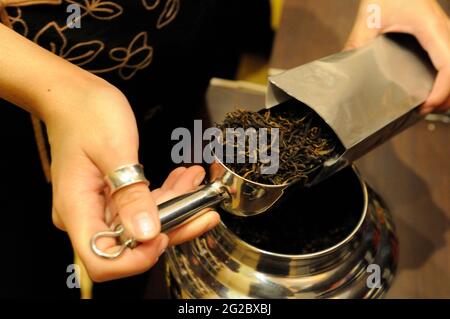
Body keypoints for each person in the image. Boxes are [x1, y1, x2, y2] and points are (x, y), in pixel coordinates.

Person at [0, 0, 448, 298]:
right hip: (26, 84)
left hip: (178, 37)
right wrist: (56, 90)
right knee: (42, 252)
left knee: (162, 208)